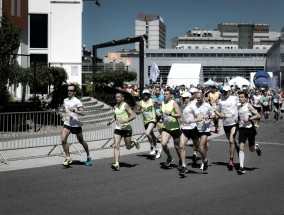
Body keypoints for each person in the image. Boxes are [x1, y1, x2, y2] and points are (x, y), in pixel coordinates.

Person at [107, 92, 140, 170]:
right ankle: (117, 163)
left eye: (118, 97)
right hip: (118, 128)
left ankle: (134, 141)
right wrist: (110, 122)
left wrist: (125, 121)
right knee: (116, 145)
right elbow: (115, 116)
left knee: (128, 147)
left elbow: (133, 115)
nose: (117, 98)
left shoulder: (125, 105)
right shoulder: (115, 106)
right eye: (116, 97)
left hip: (126, 128)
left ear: (122, 98)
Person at [61, 83, 92, 166]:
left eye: (71, 90)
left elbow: (83, 113)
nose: (69, 92)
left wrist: (74, 111)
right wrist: (64, 115)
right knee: (63, 140)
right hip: (67, 123)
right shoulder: (65, 100)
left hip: (76, 125)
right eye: (68, 90)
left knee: (81, 141)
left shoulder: (77, 101)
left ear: (74, 92)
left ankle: (88, 155)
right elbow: (65, 110)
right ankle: (68, 158)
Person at [215, 85, 239, 171]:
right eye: (223, 91)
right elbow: (216, 110)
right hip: (225, 124)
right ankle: (238, 148)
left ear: (230, 91)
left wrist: (238, 116)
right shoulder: (220, 100)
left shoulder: (235, 98)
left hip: (234, 123)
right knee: (231, 141)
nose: (224, 93)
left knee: (231, 140)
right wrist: (220, 115)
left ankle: (231, 161)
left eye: (226, 91)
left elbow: (241, 106)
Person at [237, 91, 262, 174]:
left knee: (251, 149)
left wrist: (250, 118)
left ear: (246, 98)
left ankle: (256, 147)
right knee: (241, 147)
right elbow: (239, 117)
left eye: (242, 97)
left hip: (250, 129)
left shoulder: (249, 105)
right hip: (242, 129)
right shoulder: (238, 107)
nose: (240, 98)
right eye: (239, 97)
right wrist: (236, 120)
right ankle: (241, 167)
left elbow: (258, 115)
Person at [179, 92, 203, 176]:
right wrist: (182, 120)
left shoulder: (193, 106)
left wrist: (190, 121)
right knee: (181, 146)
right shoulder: (183, 106)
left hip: (193, 129)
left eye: (185, 98)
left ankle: (204, 159)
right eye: (183, 98)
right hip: (185, 129)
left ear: (189, 98)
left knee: (198, 148)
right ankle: (184, 166)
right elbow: (183, 116)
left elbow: (200, 117)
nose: (184, 99)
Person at [136, 89, 162, 159]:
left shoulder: (152, 100)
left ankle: (152, 146)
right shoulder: (140, 103)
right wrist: (140, 111)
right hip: (145, 121)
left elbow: (161, 104)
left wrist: (159, 111)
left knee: (147, 133)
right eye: (144, 94)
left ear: (149, 94)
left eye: (147, 94)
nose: (145, 95)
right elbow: (137, 111)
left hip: (152, 120)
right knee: (152, 135)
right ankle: (158, 149)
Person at [160, 89, 182, 168]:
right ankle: (169, 157)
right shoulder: (162, 103)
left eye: (166, 94)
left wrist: (170, 114)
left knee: (177, 147)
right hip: (166, 127)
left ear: (170, 95)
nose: (165, 95)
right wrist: (160, 117)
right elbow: (162, 114)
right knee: (163, 143)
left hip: (175, 128)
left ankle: (180, 160)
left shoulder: (174, 103)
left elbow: (179, 114)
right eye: (164, 94)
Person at [195, 92, 216, 171]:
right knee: (198, 147)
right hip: (197, 128)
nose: (198, 99)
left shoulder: (208, 106)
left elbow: (214, 116)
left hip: (205, 128)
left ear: (203, 97)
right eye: (197, 98)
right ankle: (205, 157)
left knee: (200, 147)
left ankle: (204, 161)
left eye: (199, 98)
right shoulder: (195, 105)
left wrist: (208, 116)